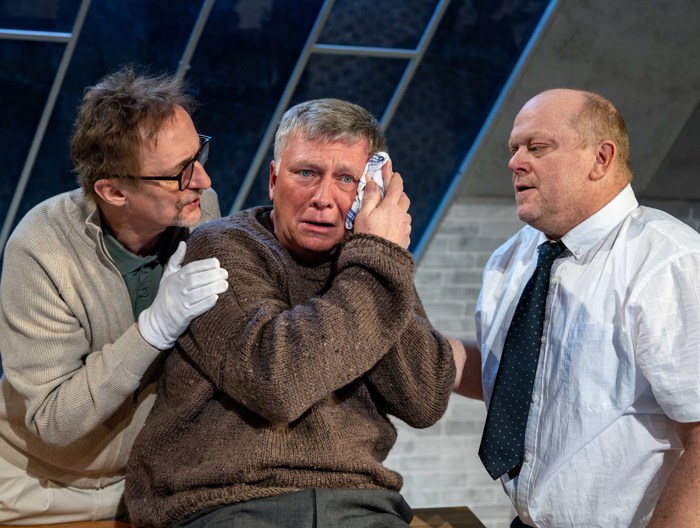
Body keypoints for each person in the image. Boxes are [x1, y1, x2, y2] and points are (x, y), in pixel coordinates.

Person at [125, 98, 456, 528]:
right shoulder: (223, 246)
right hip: (230, 501)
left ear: (371, 190)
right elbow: (277, 383)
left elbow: (423, 399)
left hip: (358, 505)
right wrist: (375, 262)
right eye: (306, 173)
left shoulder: (372, 260)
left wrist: (381, 256)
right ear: (273, 179)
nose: (323, 198)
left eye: (346, 179)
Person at [451, 88, 700, 527]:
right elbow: (511, 379)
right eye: (513, 149)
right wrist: (404, 340)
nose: (515, 162)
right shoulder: (512, 258)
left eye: (537, 147)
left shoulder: (668, 263)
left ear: (601, 159)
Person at [0, 65, 229, 523]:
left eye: (198, 154)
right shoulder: (40, 248)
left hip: (153, 481)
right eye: (179, 172)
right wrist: (153, 330)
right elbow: (52, 419)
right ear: (113, 191)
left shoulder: (198, 210)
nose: (203, 181)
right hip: (34, 484)